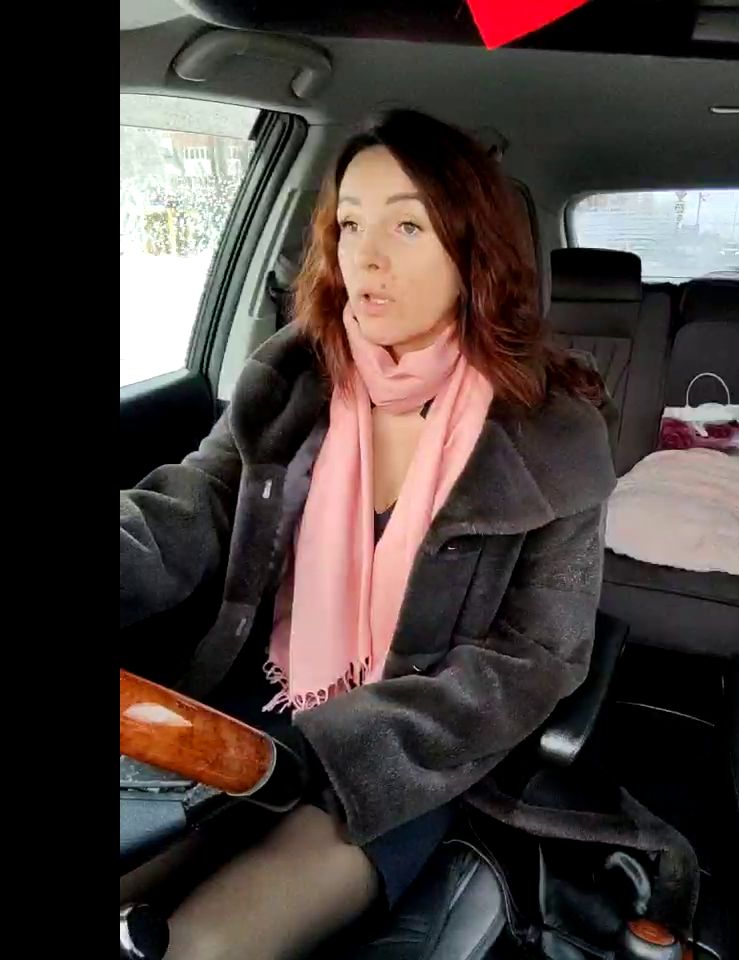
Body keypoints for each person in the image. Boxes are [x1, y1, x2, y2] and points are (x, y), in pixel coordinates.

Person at [120, 108, 617, 960]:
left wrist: (341, 748)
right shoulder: (293, 376)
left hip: (407, 756)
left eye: (407, 226)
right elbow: (186, 510)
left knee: (199, 947)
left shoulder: (555, 434)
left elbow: (536, 657)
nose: (367, 257)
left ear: (472, 249)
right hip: (252, 706)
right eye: (351, 224)